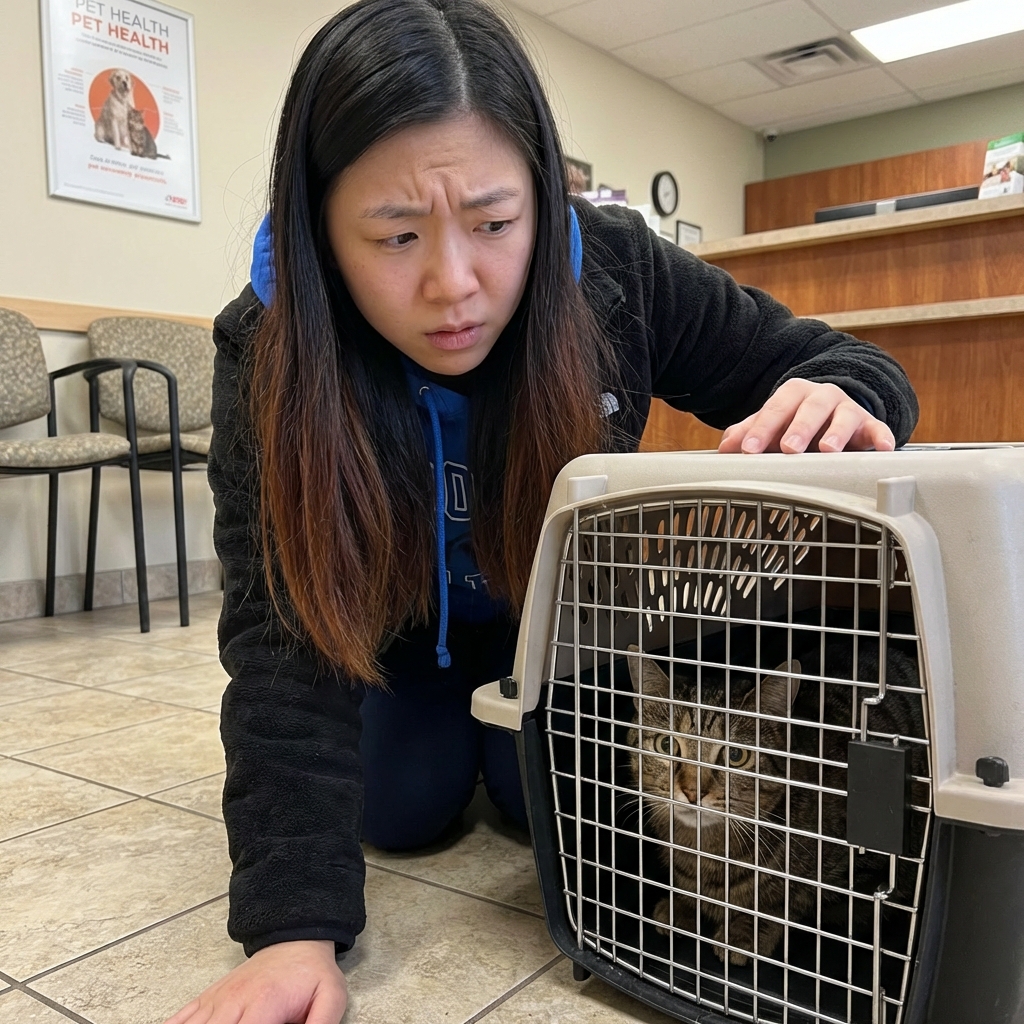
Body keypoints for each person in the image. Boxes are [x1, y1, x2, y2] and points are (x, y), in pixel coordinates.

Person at [164, 0, 918, 1021]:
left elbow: (842, 362)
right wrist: (288, 931)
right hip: (400, 645)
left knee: (561, 815)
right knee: (399, 809)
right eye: (393, 234)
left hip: (567, 642)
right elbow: (275, 633)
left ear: (541, 198)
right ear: (320, 233)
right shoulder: (269, 342)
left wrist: (847, 398)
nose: (453, 285)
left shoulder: (619, 269)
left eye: (492, 223)